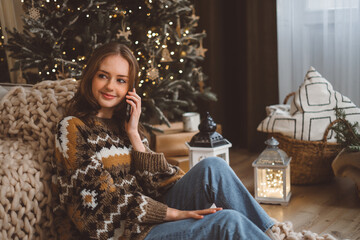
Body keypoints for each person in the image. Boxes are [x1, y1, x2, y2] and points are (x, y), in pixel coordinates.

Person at [52, 42, 279, 240]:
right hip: (127, 234)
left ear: (130, 88)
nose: (111, 86)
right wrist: (173, 214)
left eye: (120, 80)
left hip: (152, 216)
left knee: (214, 166)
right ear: (91, 75)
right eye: (103, 76)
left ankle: (272, 235)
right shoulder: (72, 128)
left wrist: (133, 134)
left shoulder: (127, 124)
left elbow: (159, 184)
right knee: (227, 221)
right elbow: (101, 206)